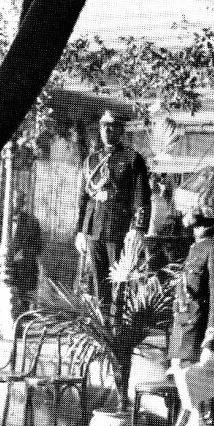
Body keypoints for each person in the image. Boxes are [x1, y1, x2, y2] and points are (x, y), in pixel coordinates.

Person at [168, 208, 214, 426]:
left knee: (208, 410)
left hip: (200, 341)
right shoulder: (197, 246)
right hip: (186, 339)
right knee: (197, 409)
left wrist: (212, 343)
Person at [75, 111, 151, 307]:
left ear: (121, 130)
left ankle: (117, 324)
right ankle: (102, 323)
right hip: (93, 230)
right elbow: (83, 199)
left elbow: (141, 196)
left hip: (119, 229)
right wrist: (80, 231)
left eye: (112, 126)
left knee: (120, 282)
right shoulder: (91, 160)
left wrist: (138, 229)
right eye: (104, 126)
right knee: (97, 283)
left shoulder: (133, 159)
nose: (107, 130)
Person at [8, 193, 43, 320]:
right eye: (13, 200)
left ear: (23, 203)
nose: (15, 204)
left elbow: (38, 247)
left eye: (18, 201)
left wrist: (22, 254)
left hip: (23, 268)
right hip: (1, 266)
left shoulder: (32, 222)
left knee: (23, 298)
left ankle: (21, 320)